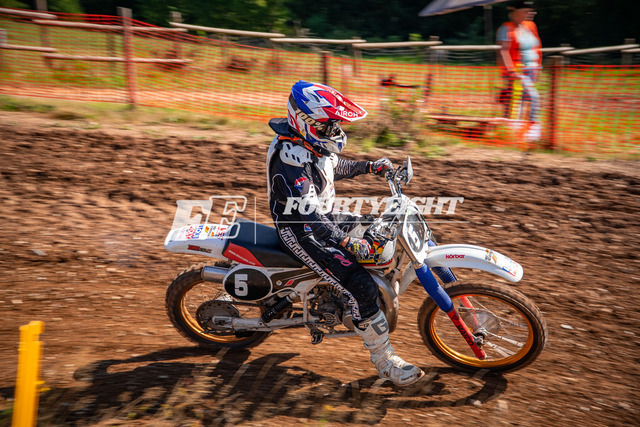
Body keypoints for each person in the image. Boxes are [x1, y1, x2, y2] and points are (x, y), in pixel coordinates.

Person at [266, 80, 424, 386]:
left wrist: (369, 167)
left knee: (380, 230)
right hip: (301, 230)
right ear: (307, 122)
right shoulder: (290, 159)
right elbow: (311, 218)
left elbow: (332, 167)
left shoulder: (309, 143)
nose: (335, 131)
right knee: (360, 284)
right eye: (329, 126)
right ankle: (384, 361)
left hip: (322, 218)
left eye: (335, 125)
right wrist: (346, 241)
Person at [496, 0, 542, 141]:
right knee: (532, 97)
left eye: (532, 10)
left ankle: (515, 133)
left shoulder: (530, 26)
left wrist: (538, 66)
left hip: (532, 69)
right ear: (516, 12)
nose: (531, 13)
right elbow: (503, 51)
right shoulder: (506, 28)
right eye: (527, 11)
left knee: (522, 100)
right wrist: (511, 71)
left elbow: (537, 46)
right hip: (517, 70)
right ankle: (533, 129)